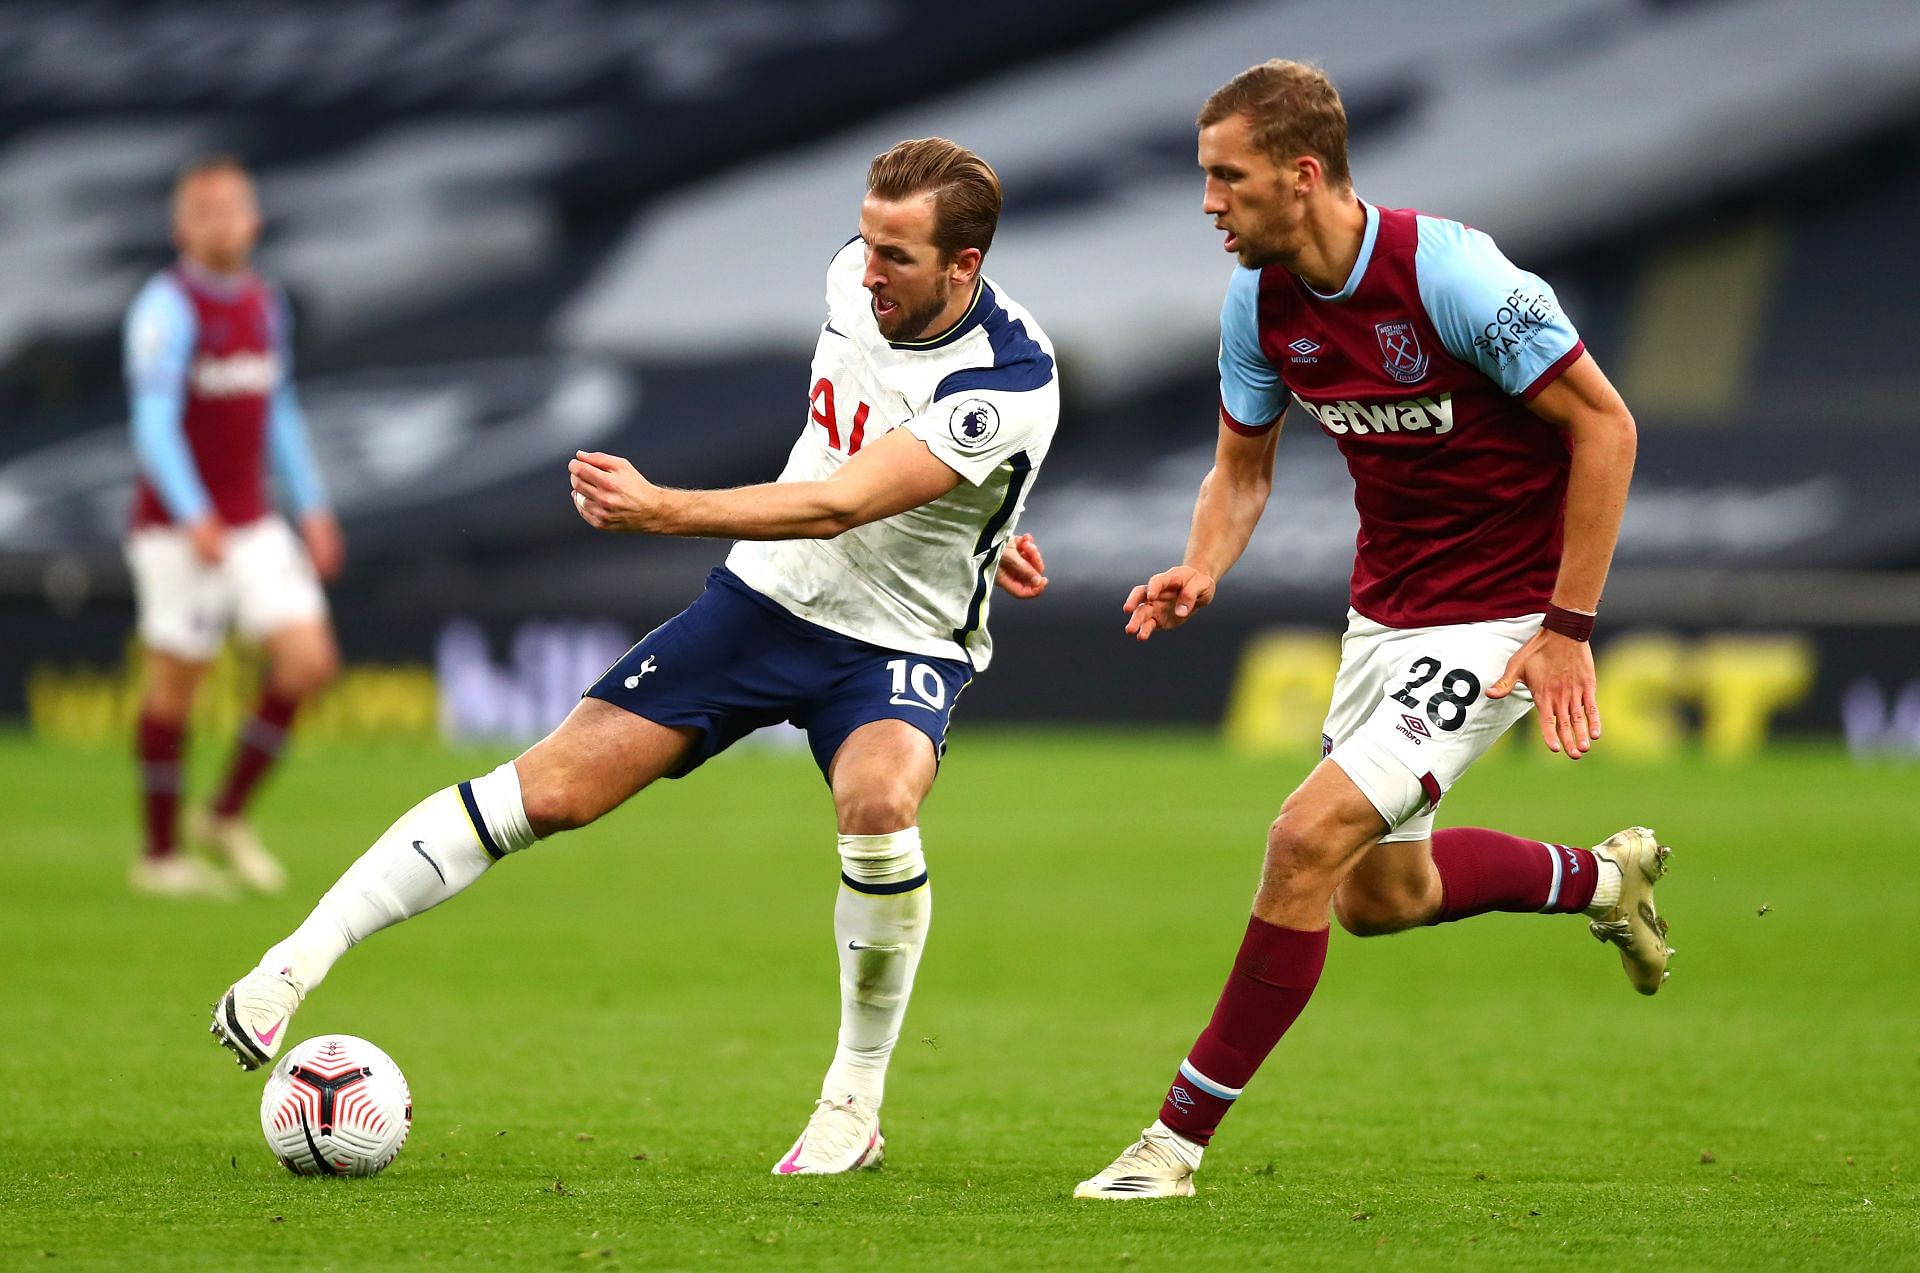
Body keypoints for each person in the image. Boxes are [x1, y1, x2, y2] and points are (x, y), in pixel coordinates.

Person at [212, 137, 1059, 1176]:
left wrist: (665, 509)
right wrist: (983, 517)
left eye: (896, 253)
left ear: (963, 268)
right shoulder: (854, 277)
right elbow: (864, 441)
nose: (865, 264)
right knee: (549, 791)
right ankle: (288, 968)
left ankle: (853, 1102)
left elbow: (844, 501)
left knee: (880, 803)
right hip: (766, 603)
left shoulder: (1012, 377)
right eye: (869, 238)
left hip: (898, 641)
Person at [1074, 61, 1669, 1201]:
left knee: (1302, 841)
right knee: (1376, 898)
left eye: (1225, 179)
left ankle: (1172, 1142)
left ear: (1302, 176)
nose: (1209, 204)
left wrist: (1567, 627)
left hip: (1501, 611)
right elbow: (1240, 470)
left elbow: (1606, 426)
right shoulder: (1258, 302)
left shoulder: (1452, 274)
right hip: (1385, 613)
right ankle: (1602, 880)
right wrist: (1202, 564)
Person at [124, 154, 343, 899]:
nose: (222, 222)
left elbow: (276, 410)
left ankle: (222, 814)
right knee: (175, 687)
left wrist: (310, 504)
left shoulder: (262, 303)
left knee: (307, 662)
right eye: (205, 211)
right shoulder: (165, 308)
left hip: (251, 521)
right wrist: (194, 513)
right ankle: (159, 855)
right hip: (177, 529)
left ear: (252, 218)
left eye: (233, 208)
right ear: (181, 226)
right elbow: (153, 424)